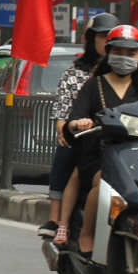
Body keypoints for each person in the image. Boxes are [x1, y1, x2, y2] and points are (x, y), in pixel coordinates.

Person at [64, 25, 138, 256]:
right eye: (118, 52)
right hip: (101, 153)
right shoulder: (93, 85)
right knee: (103, 185)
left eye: (131, 53)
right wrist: (81, 124)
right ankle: (87, 234)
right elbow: (73, 120)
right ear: (108, 53)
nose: (124, 58)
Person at [41, 12, 118, 243]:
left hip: (117, 137)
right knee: (65, 149)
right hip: (84, 135)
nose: (107, 42)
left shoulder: (128, 73)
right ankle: (56, 219)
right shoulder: (76, 74)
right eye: (102, 37)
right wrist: (65, 130)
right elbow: (63, 113)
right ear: (92, 39)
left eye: (112, 38)